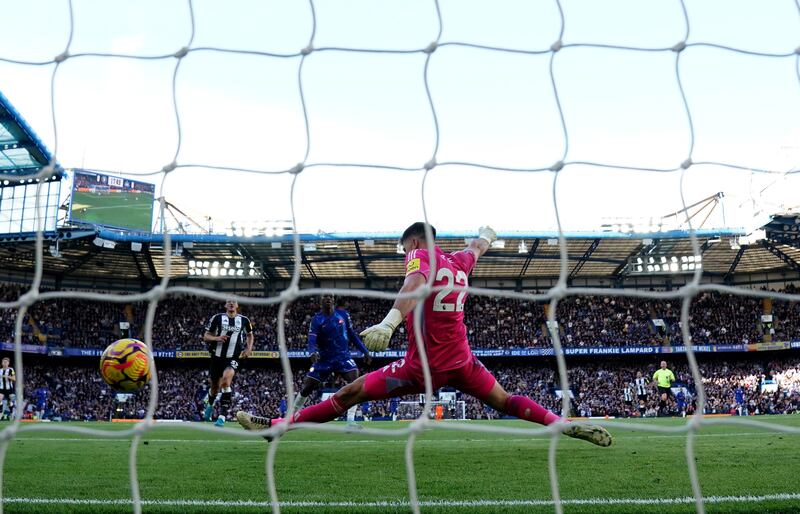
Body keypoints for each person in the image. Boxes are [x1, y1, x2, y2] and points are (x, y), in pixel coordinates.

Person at [237, 222, 611, 447]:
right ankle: (562, 424)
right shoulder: (460, 259)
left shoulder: (421, 256)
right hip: (462, 362)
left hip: (420, 368)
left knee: (348, 393)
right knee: (505, 400)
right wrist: (485, 236)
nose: (405, 254)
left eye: (404, 248)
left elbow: (414, 285)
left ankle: (277, 428)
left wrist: (389, 322)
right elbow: (476, 248)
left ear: (414, 242)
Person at [293, 294, 372, 426]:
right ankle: (290, 417)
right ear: (321, 301)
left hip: (343, 357)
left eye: (330, 297)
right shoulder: (317, 319)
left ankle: (351, 422)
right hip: (324, 359)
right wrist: (312, 351)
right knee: (307, 387)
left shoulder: (343, 315)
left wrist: (365, 351)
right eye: (325, 297)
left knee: (355, 384)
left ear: (334, 300)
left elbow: (352, 335)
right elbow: (312, 338)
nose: (328, 299)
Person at [202, 298, 254, 426]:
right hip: (216, 357)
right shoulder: (217, 318)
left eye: (234, 302)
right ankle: (210, 404)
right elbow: (206, 336)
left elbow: (250, 335)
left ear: (237, 305)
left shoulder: (244, 320)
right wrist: (217, 338)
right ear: (225, 305)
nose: (231, 303)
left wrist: (249, 348)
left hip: (233, 357)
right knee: (214, 387)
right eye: (229, 301)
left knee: (226, 381)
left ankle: (222, 416)